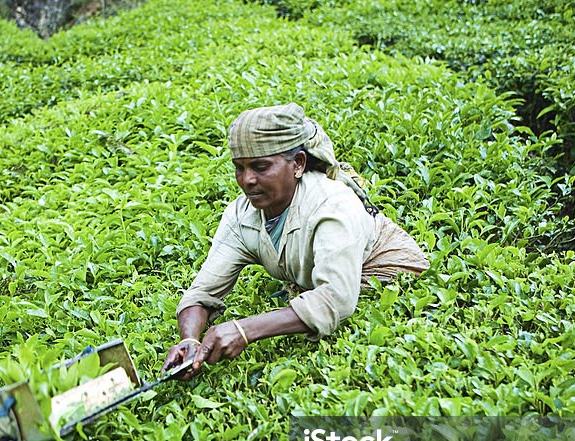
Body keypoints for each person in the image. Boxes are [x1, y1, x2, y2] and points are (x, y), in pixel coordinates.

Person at [163, 103, 429, 378]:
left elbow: (335, 300)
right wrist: (189, 340)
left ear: (298, 164)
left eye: (261, 166)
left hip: (388, 274)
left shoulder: (331, 204)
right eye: (239, 168)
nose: (247, 180)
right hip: (316, 279)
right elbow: (203, 292)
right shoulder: (242, 215)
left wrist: (245, 330)